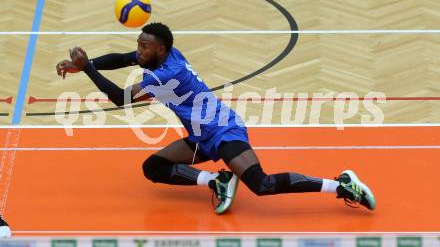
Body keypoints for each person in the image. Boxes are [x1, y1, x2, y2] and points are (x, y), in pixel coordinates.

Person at [56, 22, 376, 214]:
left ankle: (342, 185)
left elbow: (120, 99)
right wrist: (87, 64)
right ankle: (218, 180)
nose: (138, 52)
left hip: (222, 130)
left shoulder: (167, 74)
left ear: (161, 49)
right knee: (153, 168)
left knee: (261, 184)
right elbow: (123, 59)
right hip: (200, 136)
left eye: (144, 47)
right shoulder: (164, 56)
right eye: (139, 45)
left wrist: (87, 69)